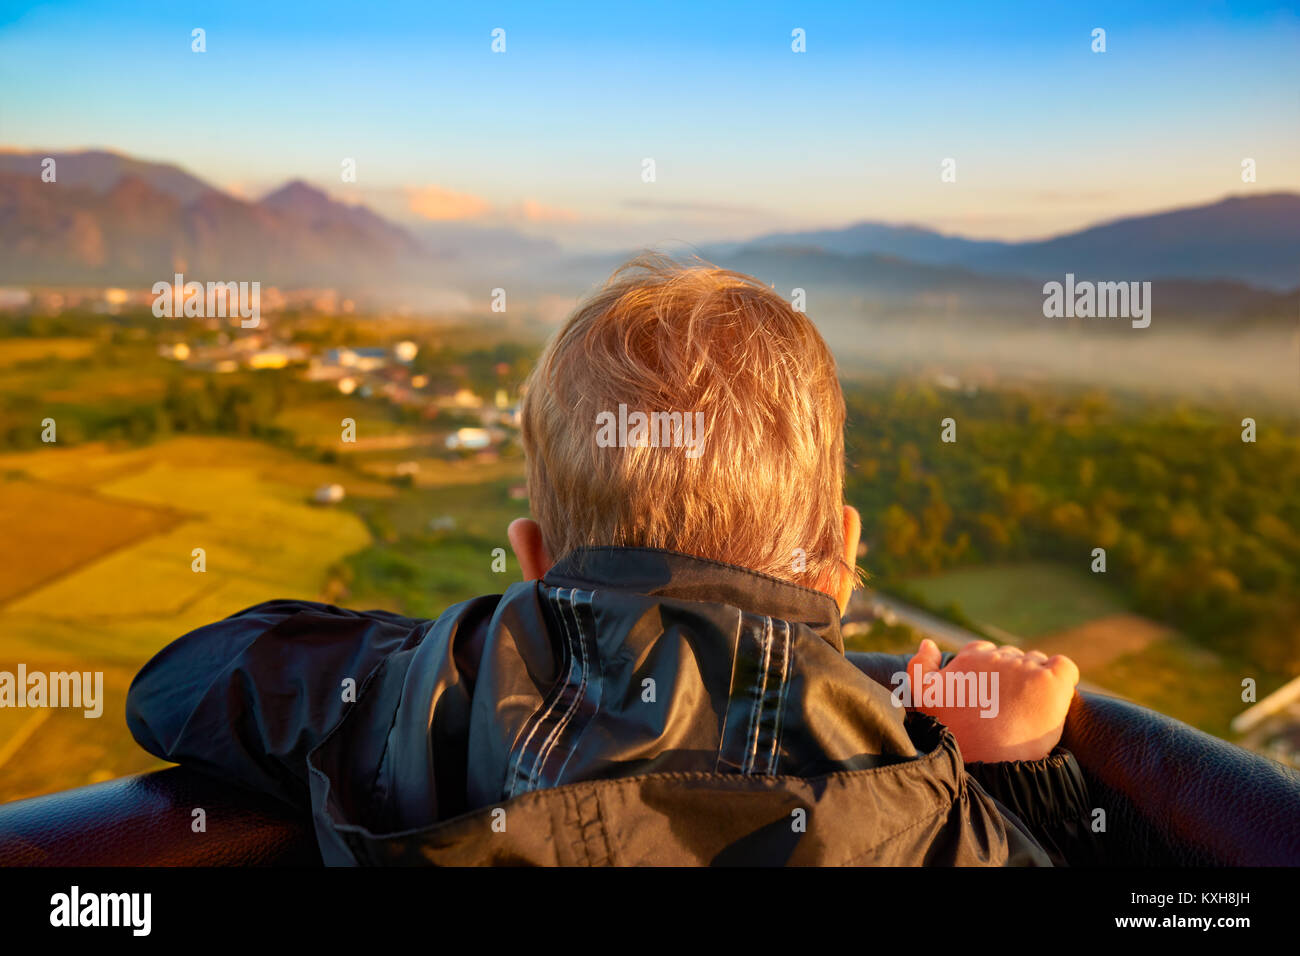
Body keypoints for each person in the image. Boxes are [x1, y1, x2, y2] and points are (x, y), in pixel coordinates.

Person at [127, 254, 1092, 866]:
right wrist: (1006, 763)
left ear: (534, 555)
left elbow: (175, 688)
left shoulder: (410, 704)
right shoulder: (921, 815)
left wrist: (444, 654)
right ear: (839, 555)